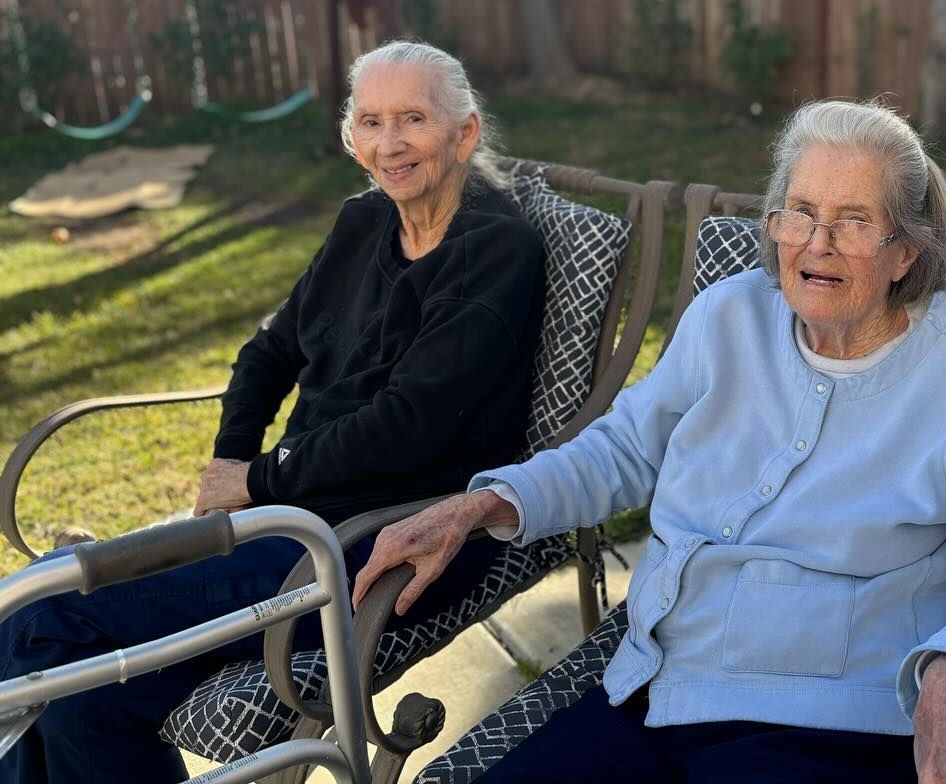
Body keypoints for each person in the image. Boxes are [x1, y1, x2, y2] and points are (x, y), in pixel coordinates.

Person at [353, 99, 946, 783]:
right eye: (798, 213)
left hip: (823, 724)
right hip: (649, 687)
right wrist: (484, 503)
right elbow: (626, 449)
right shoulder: (729, 316)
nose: (816, 244)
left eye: (855, 222)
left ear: (907, 252)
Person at [0, 41, 546, 783]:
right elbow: (269, 351)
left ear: (465, 133)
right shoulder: (363, 223)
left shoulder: (497, 249)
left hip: (384, 542)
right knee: (83, 694)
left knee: (46, 614)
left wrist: (258, 481)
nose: (390, 143)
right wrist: (231, 461)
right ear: (352, 137)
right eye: (372, 121)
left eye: (413, 119)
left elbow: (408, 424)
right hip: (290, 520)